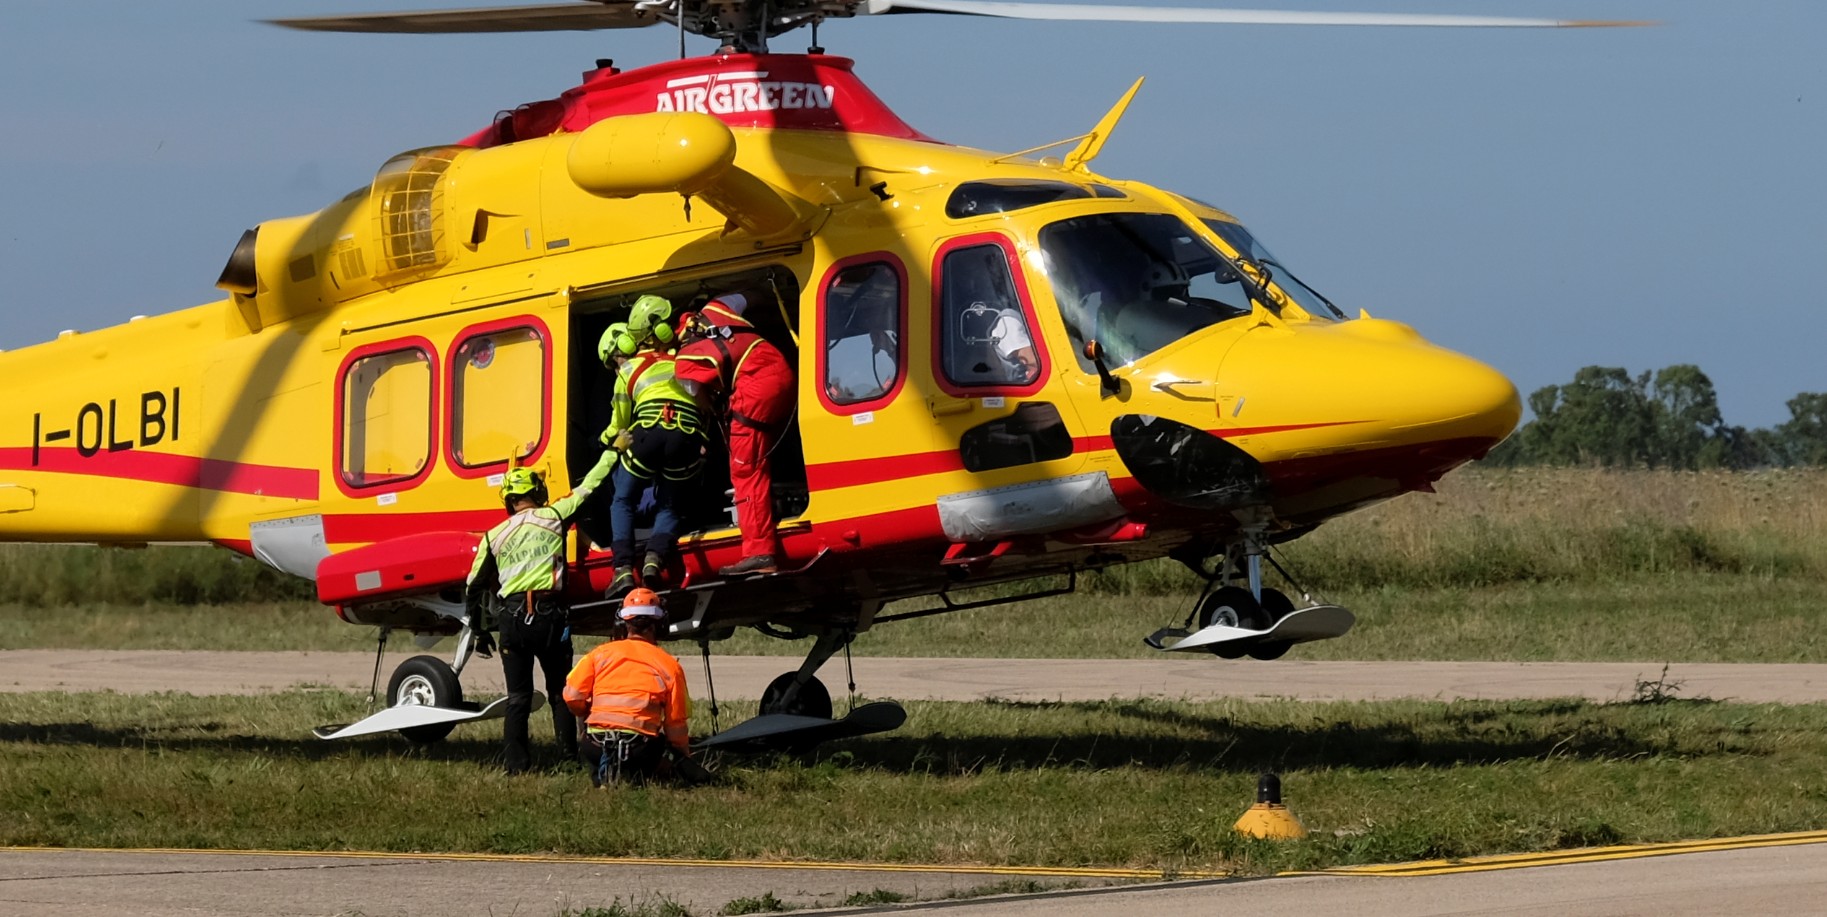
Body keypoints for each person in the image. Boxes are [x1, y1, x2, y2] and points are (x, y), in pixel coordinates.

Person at [464, 452, 616, 775]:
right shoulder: (553, 515)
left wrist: (479, 631)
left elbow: (472, 586)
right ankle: (567, 759)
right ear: (536, 492)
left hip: (512, 622)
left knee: (517, 698)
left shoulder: (494, 535)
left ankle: (517, 767)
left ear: (509, 499)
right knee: (560, 693)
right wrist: (612, 452)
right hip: (550, 618)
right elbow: (589, 486)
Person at [673, 292, 795, 576]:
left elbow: (702, 400)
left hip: (754, 391)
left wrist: (718, 409)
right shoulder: (719, 308)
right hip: (782, 372)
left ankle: (759, 553)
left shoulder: (684, 361)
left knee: (745, 472)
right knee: (765, 453)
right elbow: (743, 296)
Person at [598, 295, 708, 595]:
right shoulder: (683, 359)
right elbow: (706, 404)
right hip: (685, 436)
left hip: (647, 434)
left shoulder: (628, 371)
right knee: (671, 503)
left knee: (623, 500)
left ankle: (622, 570)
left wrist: (604, 442)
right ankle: (654, 561)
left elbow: (618, 424)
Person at [563, 588, 693, 787]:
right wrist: (683, 759)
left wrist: (587, 713)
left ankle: (606, 775)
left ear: (622, 623)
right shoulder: (670, 666)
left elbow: (572, 696)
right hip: (641, 751)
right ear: (660, 624)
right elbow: (676, 725)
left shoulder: (598, 655)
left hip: (595, 746)